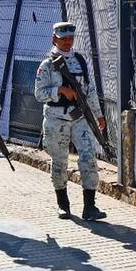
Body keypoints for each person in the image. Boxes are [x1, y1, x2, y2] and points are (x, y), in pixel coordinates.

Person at [34, 22, 107, 221]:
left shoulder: (80, 61)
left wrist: (99, 115)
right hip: (56, 119)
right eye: (63, 38)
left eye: (70, 38)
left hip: (79, 117)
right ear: (54, 39)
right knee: (59, 161)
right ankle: (63, 205)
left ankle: (90, 207)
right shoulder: (47, 65)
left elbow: (89, 91)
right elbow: (39, 94)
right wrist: (59, 91)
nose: (67, 42)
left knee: (89, 157)